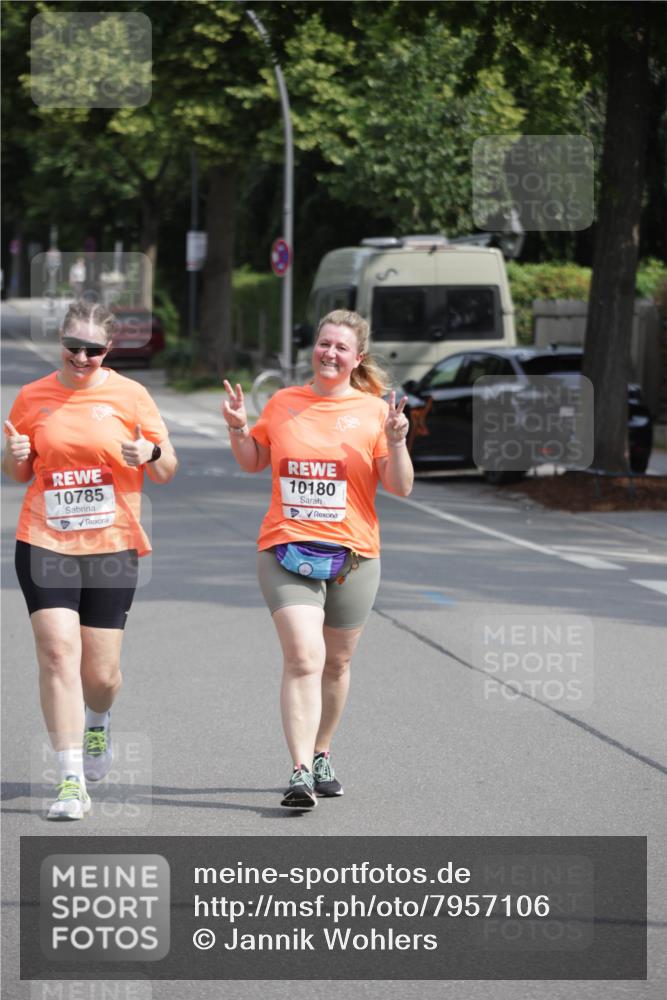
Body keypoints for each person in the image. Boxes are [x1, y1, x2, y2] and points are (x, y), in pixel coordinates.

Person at [222, 309, 413, 809]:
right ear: (315, 348)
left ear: (358, 358)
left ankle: (323, 750)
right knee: (305, 656)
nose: (330, 353)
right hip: (286, 548)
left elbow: (400, 485)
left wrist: (397, 441)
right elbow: (253, 462)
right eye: (324, 344)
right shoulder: (285, 403)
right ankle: (300, 770)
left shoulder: (374, 412)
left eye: (341, 348)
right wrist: (239, 430)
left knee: (338, 662)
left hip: (354, 555)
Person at [2, 299, 177, 820]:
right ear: (61, 343)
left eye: (94, 350)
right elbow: (19, 471)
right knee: (57, 653)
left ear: (108, 350)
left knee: (100, 674)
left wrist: (150, 455)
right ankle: (71, 779)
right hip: (44, 539)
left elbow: (167, 470)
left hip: (111, 544)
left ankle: (98, 721)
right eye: (74, 347)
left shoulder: (131, 396)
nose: (82, 358)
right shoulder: (33, 398)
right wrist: (12, 459)